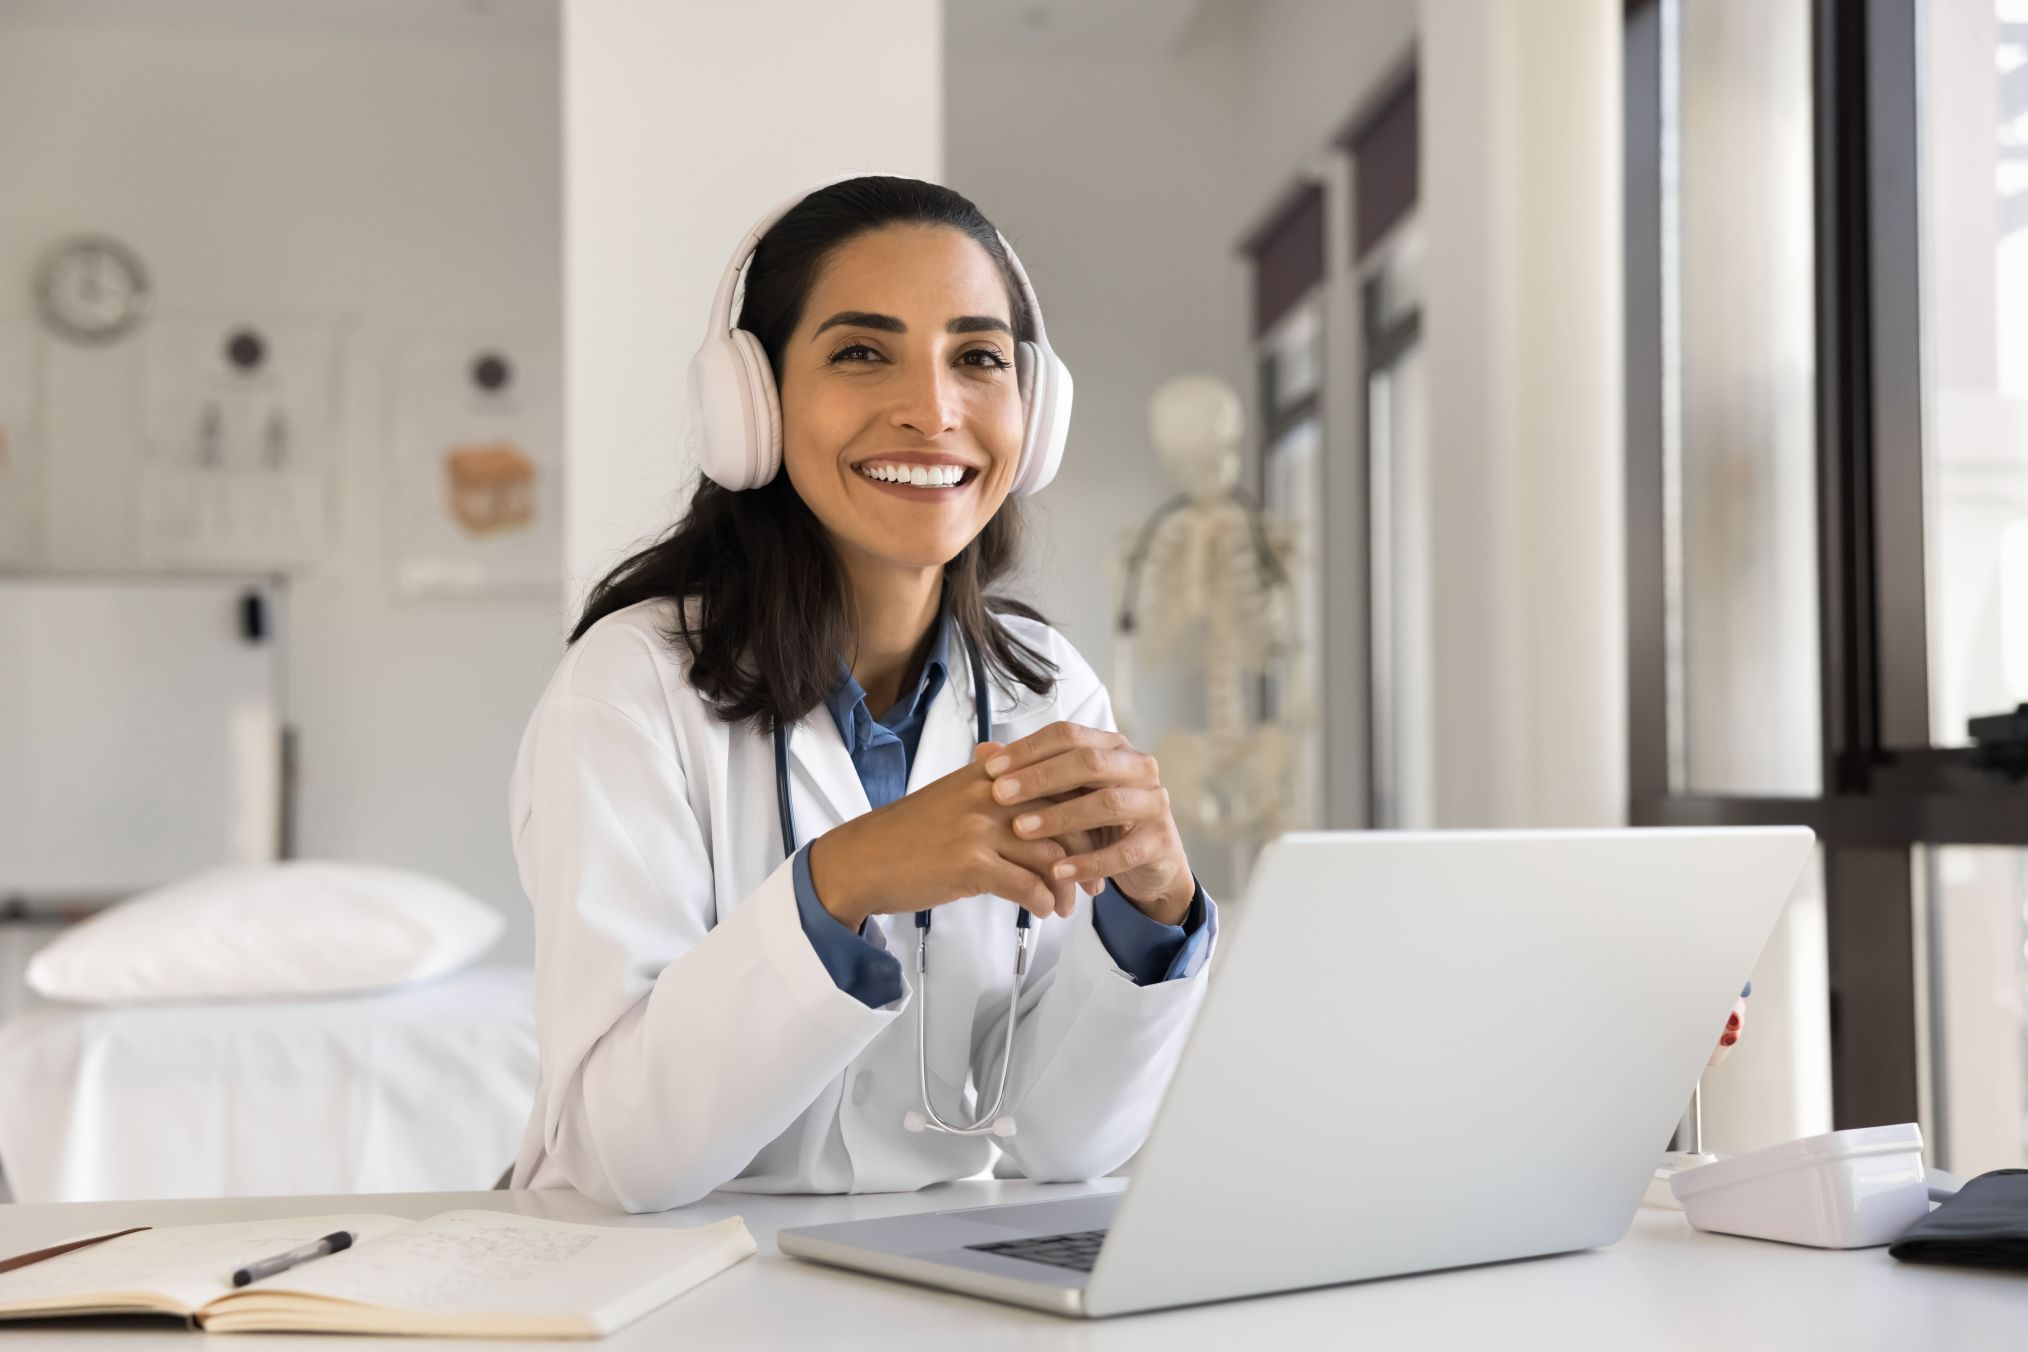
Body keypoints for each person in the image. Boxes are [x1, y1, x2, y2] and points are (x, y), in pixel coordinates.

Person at [507, 177, 1215, 1213]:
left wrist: (1156, 913)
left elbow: (1066, 1144)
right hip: (675, 1279)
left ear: (1035, 408)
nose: (933, 411)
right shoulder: (631, 686)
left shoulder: (1049, 687)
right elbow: (619, 1155)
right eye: (860, 352)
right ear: (748, 402)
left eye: (977, 357)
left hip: (928, 1274)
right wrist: (844, 880)